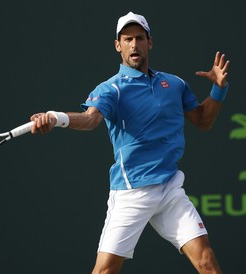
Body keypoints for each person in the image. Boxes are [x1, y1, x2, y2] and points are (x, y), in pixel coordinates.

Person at [30, 11, 229, 274]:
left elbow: (203, 121)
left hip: (169, 187)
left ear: (150, 42)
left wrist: (218, 90)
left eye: (139, 38)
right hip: (131, 191)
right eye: (127, 39)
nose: (134, 44)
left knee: (206, 261)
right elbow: (90, 120)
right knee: (105, 271)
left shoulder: (175, 84)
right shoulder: (111, 89)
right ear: (118, 46)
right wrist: (56, 118)